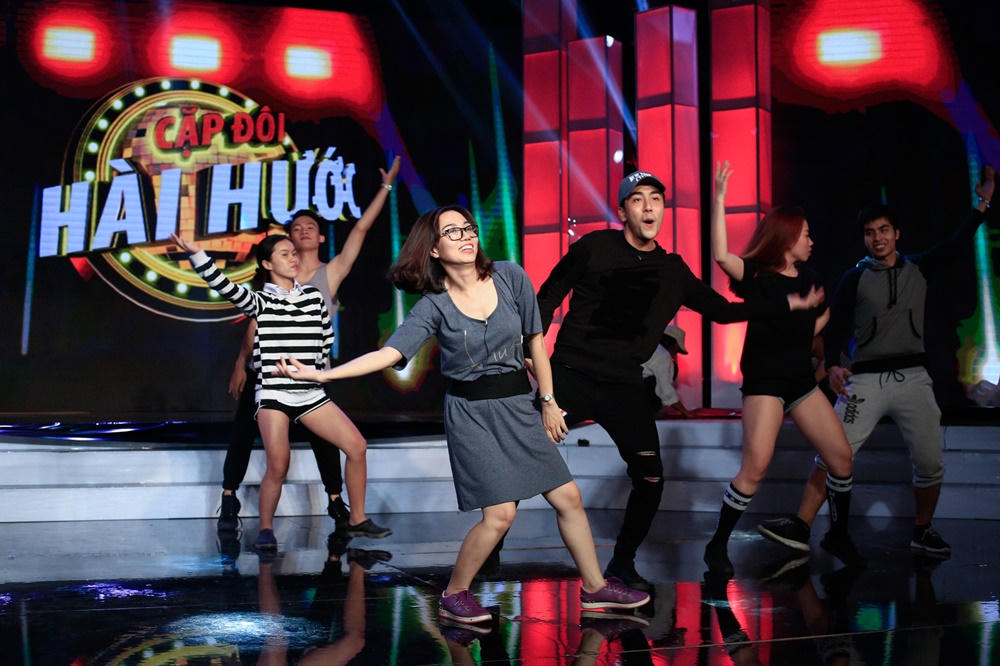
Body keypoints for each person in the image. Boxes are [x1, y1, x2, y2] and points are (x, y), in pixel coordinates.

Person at [274, 205, 650, 623]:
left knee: (569, 497)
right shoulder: (434, 306)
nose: (466, 236)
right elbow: (390, 353)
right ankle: (454, 594)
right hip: (472, 415)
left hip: (518, 405)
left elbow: (535, 343)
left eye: (468, 228)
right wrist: (323, 374)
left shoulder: (510, 276)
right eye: (452, 232)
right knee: (500, 516)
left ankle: (595, 587)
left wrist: (548, 401)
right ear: (434, 249)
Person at [534, 169, 823, 589]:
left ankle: (622, 563)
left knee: (651, 478)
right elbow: (547, 297)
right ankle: (492, 548)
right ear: (623, 211)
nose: (649, 207)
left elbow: (723, 310)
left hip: (624, 385)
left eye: (656, 199)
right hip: (569, 376)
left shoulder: (672, 270)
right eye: (638, 199)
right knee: (520, 453)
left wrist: (786, 305)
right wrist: (530, 354)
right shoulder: (594, 247)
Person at [757, 165, 996, 559]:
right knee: (832, 453)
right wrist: (834, 365)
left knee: (930, 461)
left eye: (884, 230)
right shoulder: (854, 278)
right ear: (864, 238)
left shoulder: (919, 268)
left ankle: (922, 530)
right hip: (864, 381)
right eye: (870, 232)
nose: (878, 238)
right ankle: (801, 525)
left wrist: (982, 204)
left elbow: (957, 244)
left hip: (914, 379)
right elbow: (834, 329)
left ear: (896, 233)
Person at [169, 231, 390, 550]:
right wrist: (197, 254)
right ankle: (266, 529)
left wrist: (317, 374)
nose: (293, 257)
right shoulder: (260, 301)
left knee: (357, 446)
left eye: (293, 253)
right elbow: (222, 284)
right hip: (274, 393)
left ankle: (357, 518)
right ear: (267, 264)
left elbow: (324, 341)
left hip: (310, 393)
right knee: (279, 464)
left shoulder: (314, 297)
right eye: (284, 254)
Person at [218, 157, 400, 533]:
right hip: (269, 374)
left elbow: (361, 229)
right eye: (296, 228)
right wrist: (240, 362)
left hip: (310, 374)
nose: (302, 231)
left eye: (310, 227)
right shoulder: (276, 276)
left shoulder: (328, 273)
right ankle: (231, 498)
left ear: (319, 237)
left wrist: (385, 188)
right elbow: (257, 321)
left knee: (329, 442)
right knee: (249, 437)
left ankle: (340, 504)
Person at [704, 160, 858, 578]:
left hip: (800, 381)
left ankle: (838, 534)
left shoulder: (810, 277)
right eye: (806, 234)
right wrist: (719, 200)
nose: (811, 240)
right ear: (788, 237)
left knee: (841, 458)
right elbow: (721, 256)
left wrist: (826, 320)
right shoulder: (757, 276)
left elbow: (814, 327)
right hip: (765, 382)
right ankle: (717, 544)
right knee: (755, 467)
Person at [641, 324, 695, 417]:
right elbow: (665, 388)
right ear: (674, 344)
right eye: (677, 350)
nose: (675, 355)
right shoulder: (663, 355)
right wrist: (685, 412)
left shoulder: (650, 347)